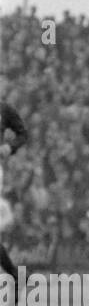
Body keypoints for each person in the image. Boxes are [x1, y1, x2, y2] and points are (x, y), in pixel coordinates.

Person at [0, 100, 30, 282]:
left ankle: (15, 275)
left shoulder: (4, 108)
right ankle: (16, 275)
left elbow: (23, 134)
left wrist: (10, 147)